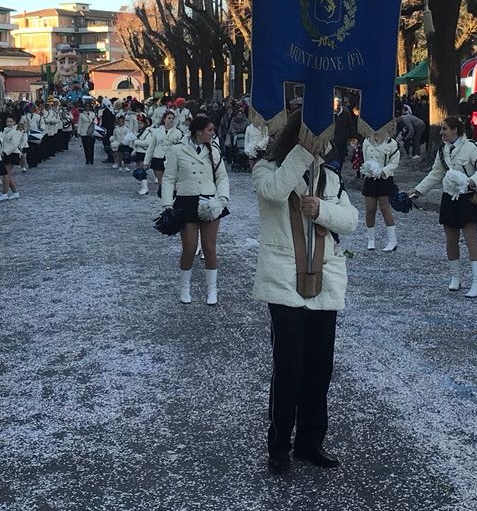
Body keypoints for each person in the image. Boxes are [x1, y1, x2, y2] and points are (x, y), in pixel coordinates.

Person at [252, 114, 358, 473]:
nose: (324, 146)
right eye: (318, 138)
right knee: (289, 368)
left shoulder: (329, 178)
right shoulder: (266, 169)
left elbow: (351, 220)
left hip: (324, 281)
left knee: (319, 369)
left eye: (325, 140)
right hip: (284, 282)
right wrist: (301, 152)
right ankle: (279, 446)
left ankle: (310, 442)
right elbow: (275, 192)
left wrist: (323, 209)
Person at [412, 115, 477, 297]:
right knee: (450, 240)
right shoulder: (443, 151)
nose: (441, 133)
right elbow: (435, 174)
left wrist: (473, 181)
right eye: (441, 129)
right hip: (450, 198)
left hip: (469, 197)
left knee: (471, 240)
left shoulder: (471, 147)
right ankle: (455, 278)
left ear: (456, 130)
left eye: (445, 129)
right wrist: (417, 191)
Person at [160, 114, 231, 305]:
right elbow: (168, 178)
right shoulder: (177, 150)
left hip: (210, 201)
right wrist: (167, 204)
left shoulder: (214, 150)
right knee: (189, 248)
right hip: (186, 201)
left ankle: (212, 290)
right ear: (199, 132)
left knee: (209, 248)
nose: (213, 133)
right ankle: (185, 287)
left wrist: (222, 198)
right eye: (210, 130)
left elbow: (222, 176)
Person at [358, 128, 402, 251]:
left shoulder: (392, 144)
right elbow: (365, 157)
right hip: (370, 178)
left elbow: (394, 163)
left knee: (385, 208)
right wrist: (367, 169)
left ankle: (392, 240)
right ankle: (371, 240)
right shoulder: (367, 142)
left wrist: (382, 171)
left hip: (384, 178)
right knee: (370, 209)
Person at [145, 110, 184, 201]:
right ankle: (163, 199)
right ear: (164, 120)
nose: (171, 120)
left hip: (171, 159)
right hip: (158, 158)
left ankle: (171, 197)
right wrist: (146, 161)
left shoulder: (178, 133)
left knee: (171, 181)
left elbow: (181, 148)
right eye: (169, 118)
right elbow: (152, 146)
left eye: (172, 118)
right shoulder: (157, 132)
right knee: (161, 182)